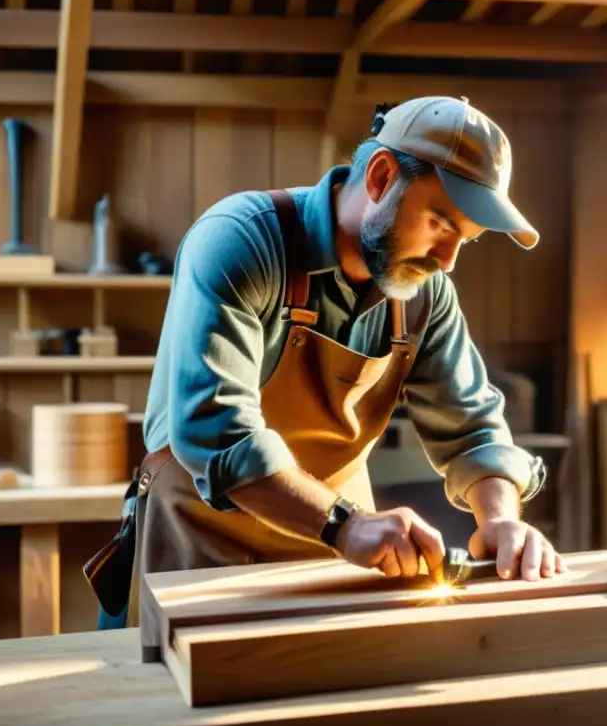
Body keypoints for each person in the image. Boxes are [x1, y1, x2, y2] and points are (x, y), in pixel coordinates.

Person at [84, 95, 564, 630]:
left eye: (465, 242)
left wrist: (500, 519)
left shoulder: (426, 295)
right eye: (439, 223)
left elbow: (473, 430)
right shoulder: (243, 240)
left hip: (337, 557)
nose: (446, 260)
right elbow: (216, 431)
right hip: (199, 550)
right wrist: (346, 524)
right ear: (381, 177)